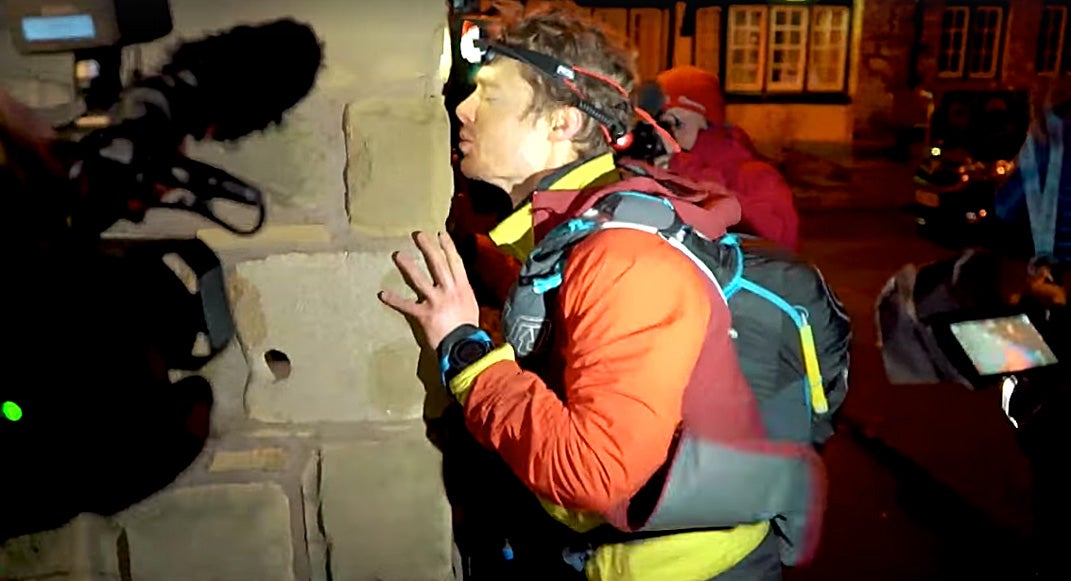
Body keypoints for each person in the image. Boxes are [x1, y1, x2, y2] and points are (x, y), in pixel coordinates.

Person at [379, 5, 823, 580]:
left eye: (490, 95)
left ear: (561, 124)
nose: (463, 110)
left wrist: (466, 353)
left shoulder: (622, 257)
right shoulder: (574, 229)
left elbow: (594, 473)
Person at [653, 65, 800, 251]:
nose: (669, 132)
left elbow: (780, 241)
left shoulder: (754, 175)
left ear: (707, 121)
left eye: (677, 122)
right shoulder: (659, 165)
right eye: (661, 123)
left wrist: (685, 171)